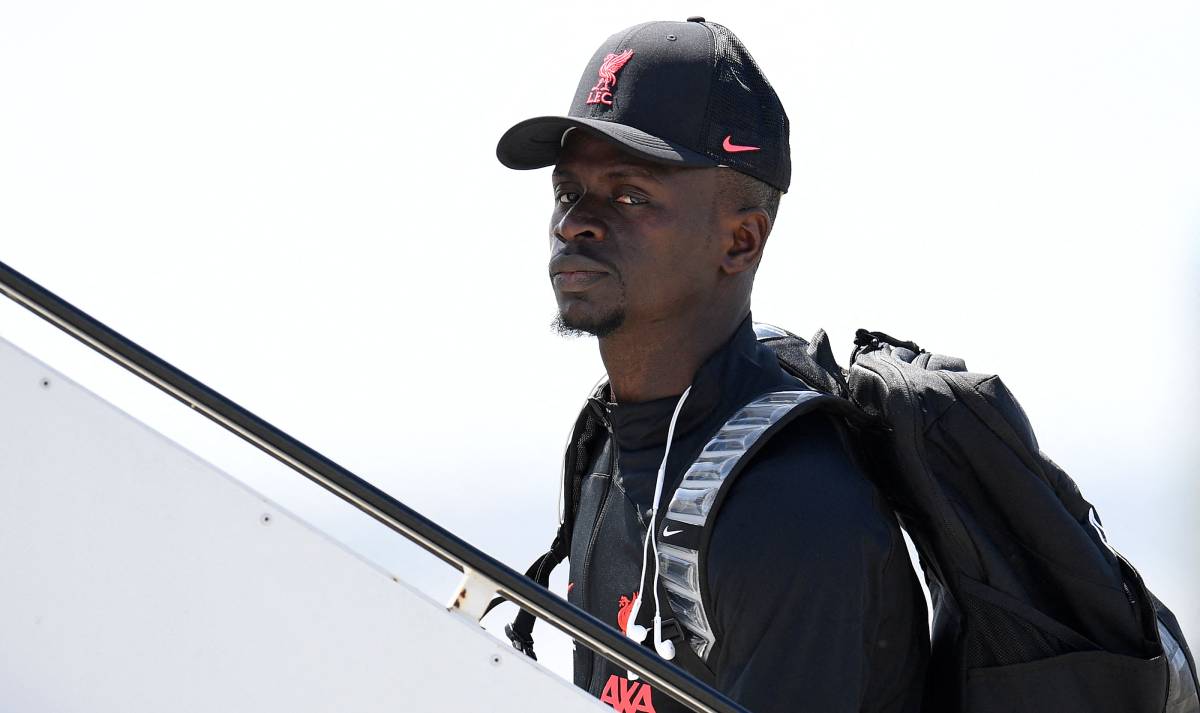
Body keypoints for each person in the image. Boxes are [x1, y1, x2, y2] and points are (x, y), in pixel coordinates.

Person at [496, 18, 929, 713]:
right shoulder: (607, 442)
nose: (574, 221)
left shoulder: (794, 506)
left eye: (630, 194)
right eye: (567, 189)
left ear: (741, 240)